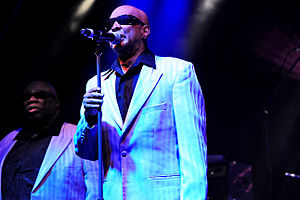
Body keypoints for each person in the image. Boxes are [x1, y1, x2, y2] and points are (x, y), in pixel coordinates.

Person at [74, 5, 207, 200]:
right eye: (110, 23)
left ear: (144, 31)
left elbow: (193, 150)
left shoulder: (176, 72)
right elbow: (87, 152)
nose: (115, 26)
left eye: (125, 19)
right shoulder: (96, 83)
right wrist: (90, 118)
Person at [0, 81, 98, 200]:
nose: (31, 99)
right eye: (26, 97)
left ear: (56, 102)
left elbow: (95, 187)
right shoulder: (7, 141)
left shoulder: (78, 136)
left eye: (40, 95)